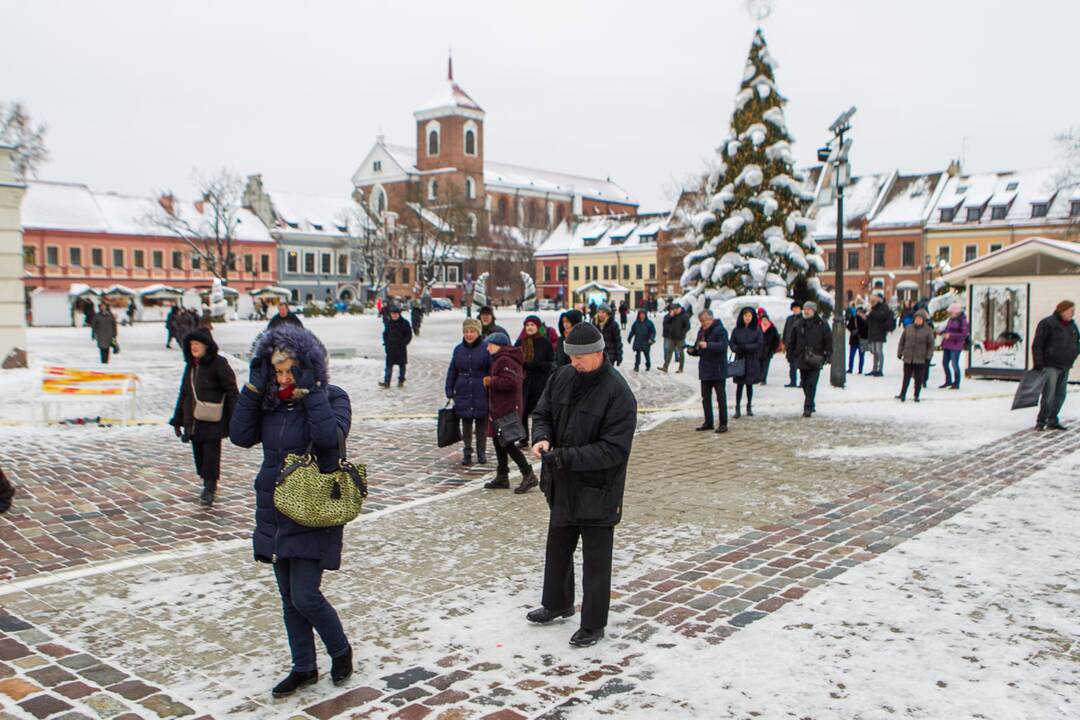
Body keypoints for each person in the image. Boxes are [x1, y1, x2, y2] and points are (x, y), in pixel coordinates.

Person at [228, 323, 354, 698]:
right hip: (274, 509)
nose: (283, 378)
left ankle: (340, 649)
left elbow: (330, 440)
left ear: (309, 365)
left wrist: (311, 391)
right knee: (288, 598)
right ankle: (304, 666)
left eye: (290, 369)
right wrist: (252, 389)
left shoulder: (332, 396)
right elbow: (239, 435)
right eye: (277, 371)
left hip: (313, 508)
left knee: (305, 595)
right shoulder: (269, 403)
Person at [527, 321, 637, 647]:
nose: (574, 362)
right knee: (558, 548)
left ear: (598, 353)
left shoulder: (618, 393)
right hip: (561, 482)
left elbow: (614, 449)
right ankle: (557, 603)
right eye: (571, 356)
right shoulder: (561, 377)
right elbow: (542, 412)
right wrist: (542, 437)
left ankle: (593, 623)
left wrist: (567, 457)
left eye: (580, 357)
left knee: (596, 561)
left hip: (599, 488)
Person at [170, 327, 238, 506]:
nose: (194, 347)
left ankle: (210, 486)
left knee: (210, 454)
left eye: (197, 344)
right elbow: (184, 393)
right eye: (191, 344)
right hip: (193, 420)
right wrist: (177, 419)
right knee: (199, 455)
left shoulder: (219, 363)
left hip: (213, 420)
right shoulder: (191, 365)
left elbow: (232, 391)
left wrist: (235, 418)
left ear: (207, 345)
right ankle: (206, 479)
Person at [482, 332, 539, 493]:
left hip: (506, 408)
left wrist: (490, 381)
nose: (487, 348)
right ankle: (502, 476)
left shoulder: (505, 360)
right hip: (500, 407)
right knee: (498, 441)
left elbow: (511, 382)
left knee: (507, 443)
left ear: (499, 345)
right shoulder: (501, 359)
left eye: (490, 345)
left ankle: (528, 474)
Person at [446, 318, 491, 466]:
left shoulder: (486, 349)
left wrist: (490, 385)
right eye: (466, 331)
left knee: (480, 423)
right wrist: (449, 388)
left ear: (478, 332)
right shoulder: (458, 349)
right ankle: (467, 452)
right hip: (463, 389)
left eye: (472, 331)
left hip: (480, 389)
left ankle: (481, 452)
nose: (469, 334)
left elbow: (491, 369)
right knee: (465, 422)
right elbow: (453, 370)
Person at [1032, 300, 1079, 431]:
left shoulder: (1072, 326)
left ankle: (1053, 419)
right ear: (1062, 310)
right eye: (1071, 311)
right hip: (1050, 365)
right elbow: (1038, 344)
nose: (1073, 314)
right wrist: (1038, 362)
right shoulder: (1047, 323)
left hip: (1065, 365)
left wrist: (1074, 354)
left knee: (1061, 394)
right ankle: (1042, 421)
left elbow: (1076, 342)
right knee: (1049, 394)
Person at [686, 309, 729, 433]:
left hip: (718, 369)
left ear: (711, 319)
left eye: (704, 321)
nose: (703, 324)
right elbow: (699, 349)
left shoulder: (720, 330)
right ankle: (708, 422)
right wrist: (692, 351)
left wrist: (708, 345)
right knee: (706, 398)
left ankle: (723, 423)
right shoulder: (701, 331)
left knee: (720, 398)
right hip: (705, 369)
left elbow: (723, 346)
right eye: (701, 321)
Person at [516, 315, 555, 447]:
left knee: (540, 411)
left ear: (537, 327)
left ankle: (539, 438)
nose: (530, 327)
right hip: (525, 381)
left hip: (540, 381)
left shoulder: (544, 342)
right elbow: (515, 358)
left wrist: (538, 365)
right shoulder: (521, 342)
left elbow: (550, 362)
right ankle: (523, 438)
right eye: (527, 325)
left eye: (532, 325)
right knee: (523, 410)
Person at [791, 301, 830, 417]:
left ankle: (807, 408)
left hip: (816, 358)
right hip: (802, 357)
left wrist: (827, 353)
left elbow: (828, 339)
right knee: (804, 383)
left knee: (811, 384)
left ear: (814, 311)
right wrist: (792, 353)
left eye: (809, 309)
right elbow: (792, 339)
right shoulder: (799, 324)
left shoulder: (821, 324)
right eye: (805, 309)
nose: (806, 311)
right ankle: (811, 403)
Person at [729, 307, 763, 418]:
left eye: (749, 316)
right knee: (739, 385)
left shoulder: (757, 329)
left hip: (752, 360)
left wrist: (747, 347)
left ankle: (749, 406)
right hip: (740, 359)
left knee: (749, 385)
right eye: (745, 316)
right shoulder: (736, 329)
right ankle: (737, 407)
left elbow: (759, 344)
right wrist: (736, 348)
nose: (747, 318)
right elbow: (731, 343)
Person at [896, 309, 935, 402]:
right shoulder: (908, 328)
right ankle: (903, 394)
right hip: (908, 357)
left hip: (920, 358)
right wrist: (900, 352)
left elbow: (931, 345)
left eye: (920, 319)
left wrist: (928, 356)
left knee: (918, 379)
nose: (918, 320)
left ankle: (916, 394)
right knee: (906, 377)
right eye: (916, 318)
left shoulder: (928, 331)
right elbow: (902, 341)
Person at [379, 305, 412, 388]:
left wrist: (403, 343)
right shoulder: (389, 323)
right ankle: (387, 382)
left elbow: (409, 335)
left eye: (395, 314)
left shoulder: (405, 323)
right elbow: (385, 334)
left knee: (402, 365)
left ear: (399, 314)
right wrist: (386, 343)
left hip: (401, 348)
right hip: (391, 348)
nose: (394, 315)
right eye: (392, 314)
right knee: (389, 366)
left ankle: (401, 380)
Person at [938, 303, 969, 389]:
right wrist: (942, 332)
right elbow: (947, 329)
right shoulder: (950, 320)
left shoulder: (962, 321)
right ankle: (948, 381)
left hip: (956, 346)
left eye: (951, 312)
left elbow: (964, 334)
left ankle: (956, 382)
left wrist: (950, 335)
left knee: (954, 364)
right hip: (947, 344)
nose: (950, 314)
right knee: (945, 363)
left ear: (956, 312)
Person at [866, 294, 895, 376]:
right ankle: (874, 369)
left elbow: (881, 316)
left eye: (874, 300)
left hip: (880, 332)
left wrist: (872, 311)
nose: (872, 301)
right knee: (874, 352)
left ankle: (880, 370)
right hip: (873, 332)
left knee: (879, 351)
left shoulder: (884, 307)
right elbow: (869, 319)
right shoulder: (873, 308)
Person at [660, 303, 691, 373]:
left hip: (680, 338)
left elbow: (687, 327)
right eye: (673, 309)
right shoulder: (672, 315)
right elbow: (665, 323)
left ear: (679, 309)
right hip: (671, 337)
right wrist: (670, 316)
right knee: (669, 352)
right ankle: (665, 367)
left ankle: (681, 368)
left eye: (675, 309)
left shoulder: (684, 316)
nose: (674, 310)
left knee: (681, 353)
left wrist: (682, 333)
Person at [757, 308, 780, 385]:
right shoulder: (758, 328)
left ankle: (763, 379)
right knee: (759, 365)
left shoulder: (772, 328)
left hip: (768, 351)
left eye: (766, 319)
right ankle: (759, 378)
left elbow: (777, 339)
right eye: (763, 319)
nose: (764, 321)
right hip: (759, 350)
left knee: (765, 366)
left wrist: (773, 349)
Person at [782, 301, 802, 387]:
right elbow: (786, 331)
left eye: (797, 308)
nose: (795, 309)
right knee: (792, 365)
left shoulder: (802, 319)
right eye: (794, 308)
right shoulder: (789, 318)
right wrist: (784, 342)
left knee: (801, 365)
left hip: (799, 345)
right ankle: (792, 381)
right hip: (790, 345)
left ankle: (802, 382)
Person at [846, 305, 869, 375]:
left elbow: (868, 329)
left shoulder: (865, 319)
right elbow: (848, 326)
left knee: (860, 356)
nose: (859, 313)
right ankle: (851, 369)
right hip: (857, 339)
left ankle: (859, 369)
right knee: (853, 355)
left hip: (861, 339)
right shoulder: (854, 318)